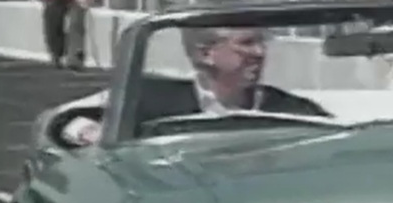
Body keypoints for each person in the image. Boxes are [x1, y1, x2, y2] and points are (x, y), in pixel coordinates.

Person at [62, 25, 331, 146]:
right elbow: (69, 124)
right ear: (205, 54)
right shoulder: (150, 100)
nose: (260, 53)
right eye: (247, 43)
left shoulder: (292, 110)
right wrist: (91, 133)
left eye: (262, 43)